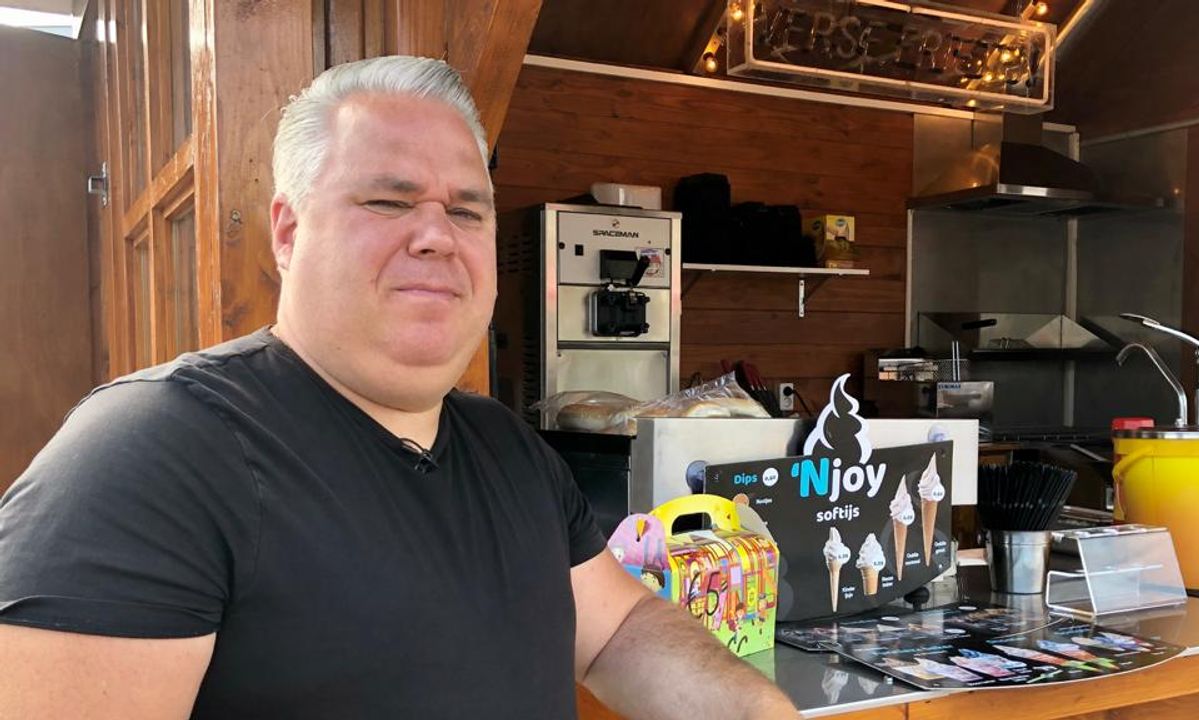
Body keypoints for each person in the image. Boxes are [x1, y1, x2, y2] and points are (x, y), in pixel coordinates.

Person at [0, 56, 800, 719]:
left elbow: (617, 631)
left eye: (467, 210)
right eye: (387, 200)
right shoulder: (152, 454)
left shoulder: (507, 448)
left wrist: (760, 713)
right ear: (288, 231)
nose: (434, 236)